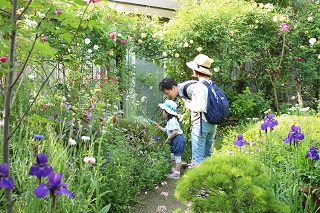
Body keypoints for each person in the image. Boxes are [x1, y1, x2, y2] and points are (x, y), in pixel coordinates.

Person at [158, 54, 217, 167]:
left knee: (198, 157)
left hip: (202, 123)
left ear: (174, 88)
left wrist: (189, 106)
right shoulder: (206, 83)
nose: (168, 95)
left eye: (167, 92)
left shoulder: (190, 88)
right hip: (212, 121)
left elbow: (200, 106)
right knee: (207, 155)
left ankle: (198, 181)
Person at [153, 99, 186, 179]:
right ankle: (174, 170)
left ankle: (177, 173)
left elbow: (175, 132)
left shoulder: (173, 121)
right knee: (173, 156)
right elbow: (166, 130)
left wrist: (168, 139)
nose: (163, 113)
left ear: (168, 112)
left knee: (177, 157)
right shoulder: (170, 121)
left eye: (164, 111)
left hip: (178, 139)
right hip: (175, 140)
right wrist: (158, 126)